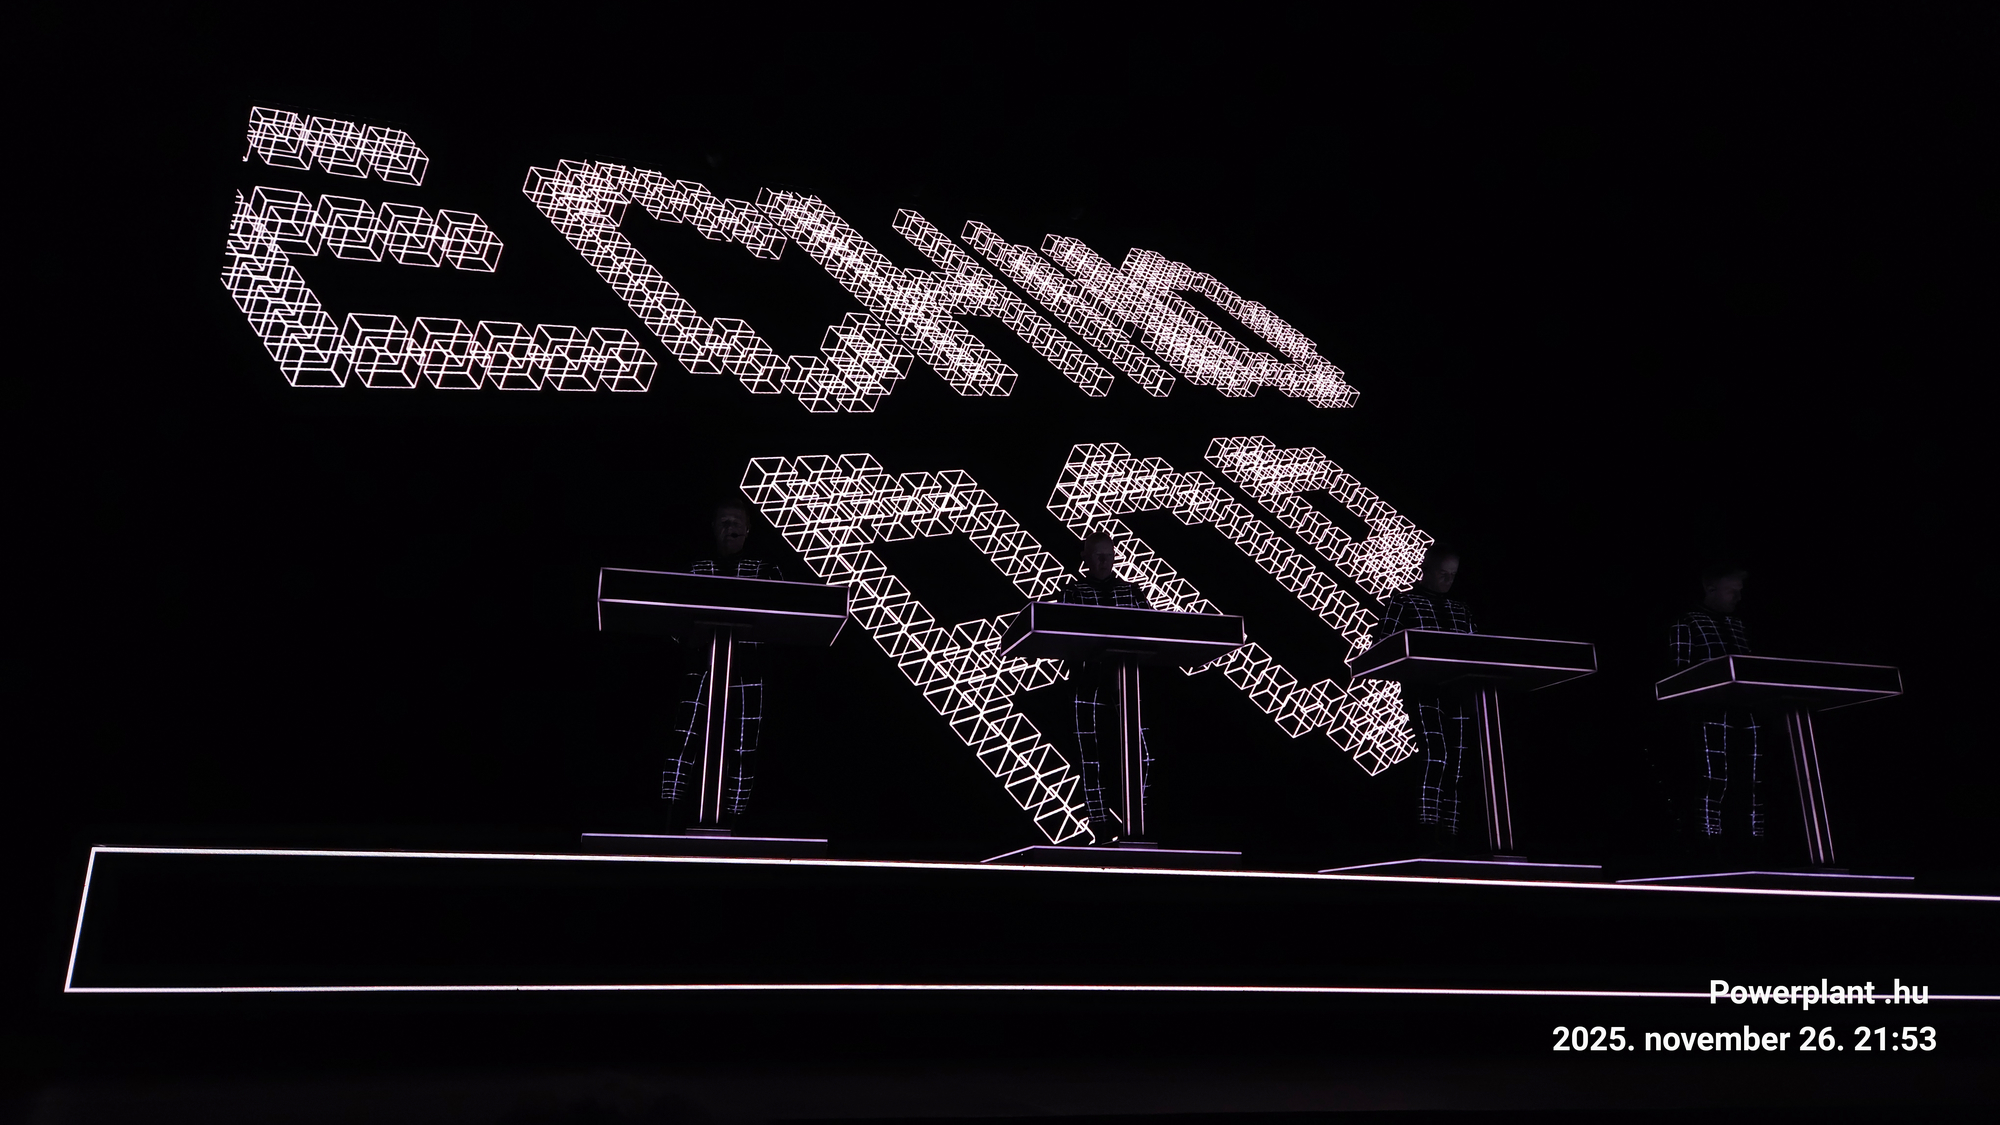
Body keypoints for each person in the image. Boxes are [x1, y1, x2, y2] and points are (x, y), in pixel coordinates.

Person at [662, 498, 783, 825]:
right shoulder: (695, 567)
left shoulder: (764, 569)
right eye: (724, 521)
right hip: (701, 666)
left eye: (736, 522)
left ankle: (734, 820)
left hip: (749, 669)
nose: (730, 527)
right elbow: (671, 617)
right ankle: (670, 816)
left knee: (744, 746)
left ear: (747, 529)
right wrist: (691, 637)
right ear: (713, 527)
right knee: (685, 738)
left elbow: (781, 616)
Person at [1051, 529, 1154, 843]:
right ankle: (1100, 825)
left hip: (1126, 680)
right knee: (1090, 757)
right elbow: (1061, 632)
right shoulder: (1072, 591)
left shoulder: (1131, 591)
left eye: (1108, 556)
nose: (1104, 562)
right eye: (1098, 556)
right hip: (1087, 680)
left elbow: (1154, 627)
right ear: (1085, 557)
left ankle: (1137, 819)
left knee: (1142, 754)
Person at [1379, 545, 1477, 848]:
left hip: (1459, 691)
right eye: (1443, 573)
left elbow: (1479, 648)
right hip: (1423, 688)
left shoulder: (1461, 609)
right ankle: (1427, 831)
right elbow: (1384, 645)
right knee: (1436, 755)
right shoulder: (1403, 601)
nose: (1448, 580)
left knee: (1457, 763)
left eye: (1453, 575)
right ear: (1426, 570)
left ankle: (1450, 834)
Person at [1669, 562, 1760, 854]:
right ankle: (1709, 841)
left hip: (1746, 712)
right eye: (1733, 590)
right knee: (1713, 777)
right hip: (1707, 714)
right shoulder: (1688, 622)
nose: (1738, 597)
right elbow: (1678, 675)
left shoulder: (1739, 625)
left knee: (1752, 778)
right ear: (1711, 588)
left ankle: (1754, 837)